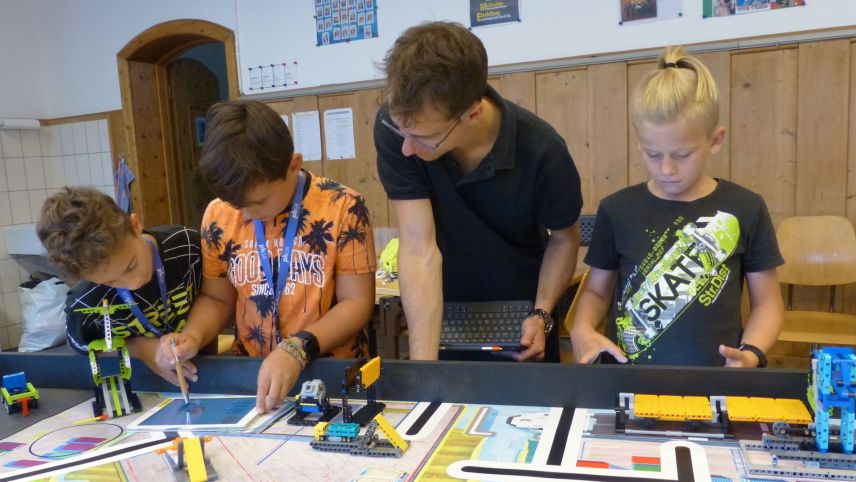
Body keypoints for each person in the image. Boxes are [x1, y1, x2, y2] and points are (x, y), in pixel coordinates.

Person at [375, 21, 583, 362]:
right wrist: (423, 370)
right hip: (442, 309)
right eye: (402, 132)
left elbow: (563, 238)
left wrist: (542, 313)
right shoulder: (401, 129)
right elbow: (418, 248)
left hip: (519, 319)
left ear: (473, 111)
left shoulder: (542, 151)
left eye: (425, 140)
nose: (407, 149)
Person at [570, 46, 784, 367]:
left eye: (682, 155)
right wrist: (582, 329)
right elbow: (596, 294)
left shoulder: (745, 208)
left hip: (713, 381)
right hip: (626, 380)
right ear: (638, 140)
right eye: (652, 154)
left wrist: (751, 354)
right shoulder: (617, 209)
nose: (667, 169)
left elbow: (767, 305)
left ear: (715, 140)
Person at [158, 100, 376, 413]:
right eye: (237, 205)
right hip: (253, 375)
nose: (246, 215)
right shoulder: (218, 215)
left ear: (293, 164)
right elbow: (218, 298)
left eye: (257, 203)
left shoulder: (343, 206)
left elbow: (357, 303)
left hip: (333, 375)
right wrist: (192, 335)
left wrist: (298, 349)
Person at [37, 187, 202, 384]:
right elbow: (80, 345)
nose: (134, 284)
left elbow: (215, 297)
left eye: (131, 265)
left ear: (134, 224)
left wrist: (194, 335)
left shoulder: (187, 248)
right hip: (143, 384)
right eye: (110, 282)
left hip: (207, 370)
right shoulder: (85, 301)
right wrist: (139, 348)